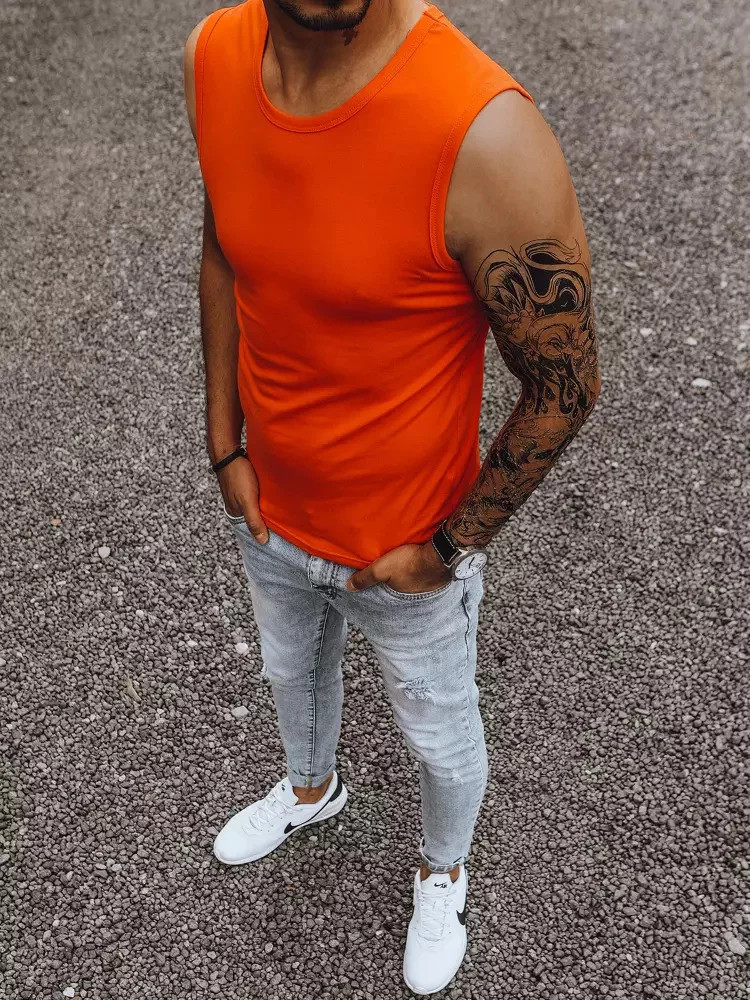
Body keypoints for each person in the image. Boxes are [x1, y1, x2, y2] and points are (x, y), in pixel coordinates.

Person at [183, 0, 600, 992]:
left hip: (406, 556)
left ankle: (442, 870)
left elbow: (567, 383)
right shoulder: (212, 56)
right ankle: (311, 790)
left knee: (441, 738)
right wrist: (224, 443)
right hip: (270, 517)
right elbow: (225, 249)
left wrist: (448, 548)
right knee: (291, 678)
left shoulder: (485, 134)